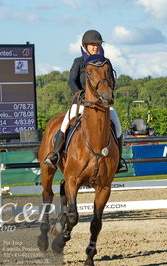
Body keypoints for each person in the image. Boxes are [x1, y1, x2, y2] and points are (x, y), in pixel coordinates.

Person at [45, 29, 127, 173]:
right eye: (92, 44)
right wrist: (79, 93)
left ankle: (118, 161)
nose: (95, 47)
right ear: (85, 46)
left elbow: (112, 81)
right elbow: (72, 81)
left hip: (102, 103)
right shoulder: (79, 62)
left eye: (97, 44)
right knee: (64, 124)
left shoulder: (105, 62)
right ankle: (55, 154)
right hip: (83, 103)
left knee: (118, 127)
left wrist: (108, 92)